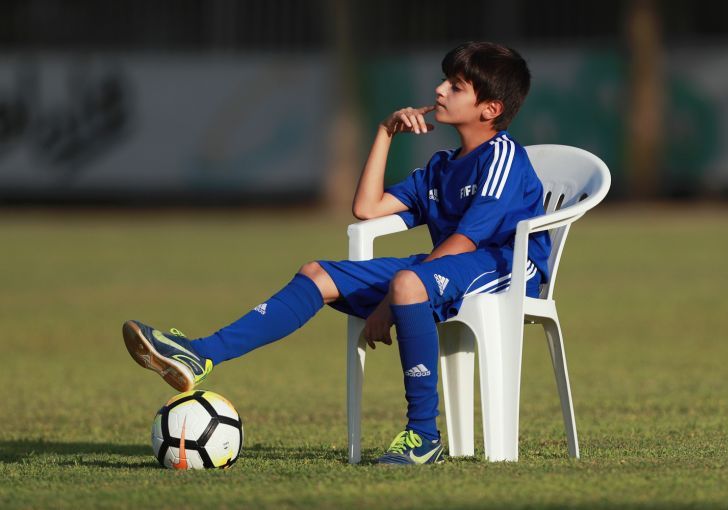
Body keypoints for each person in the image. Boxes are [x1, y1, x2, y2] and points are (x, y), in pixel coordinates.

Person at [122, 41, 551, 466]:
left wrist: (390, 301)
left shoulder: (503, 157)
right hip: (443, 267)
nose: (439, 90)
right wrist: (385, 132)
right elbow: (367, 208)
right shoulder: (442, 165)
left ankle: (423, 436)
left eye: (455, 86)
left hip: (508, 267)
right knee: (316, 274)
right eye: (445, 81)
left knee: (406, 284)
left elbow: (466, 242)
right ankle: (201, 353)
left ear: (490, 109)